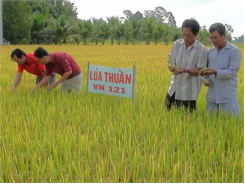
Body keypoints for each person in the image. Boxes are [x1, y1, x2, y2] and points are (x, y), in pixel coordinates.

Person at [165, 19, 207, 112]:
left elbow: (201, 72)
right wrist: (172, 68)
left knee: (186, 119)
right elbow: (171, 62)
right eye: (183, 34)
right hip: (174, 87)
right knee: (167, 113)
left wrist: (186, 70)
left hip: (188, 92)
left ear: (196, 34)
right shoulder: (177, 44)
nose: (185, 37)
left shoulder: (201, 50)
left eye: (188, 35)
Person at [202, 23, 242, 116]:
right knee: (210, 124)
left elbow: (232, 72)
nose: (213, 40)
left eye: (215, 37)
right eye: (211, 38)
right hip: (212, 93)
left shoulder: (234, 51)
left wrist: (216, 72)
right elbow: (206, 70)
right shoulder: (210, 51)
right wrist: (206, 78)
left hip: (227, 94)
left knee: (232, 124)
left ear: (224, 35)